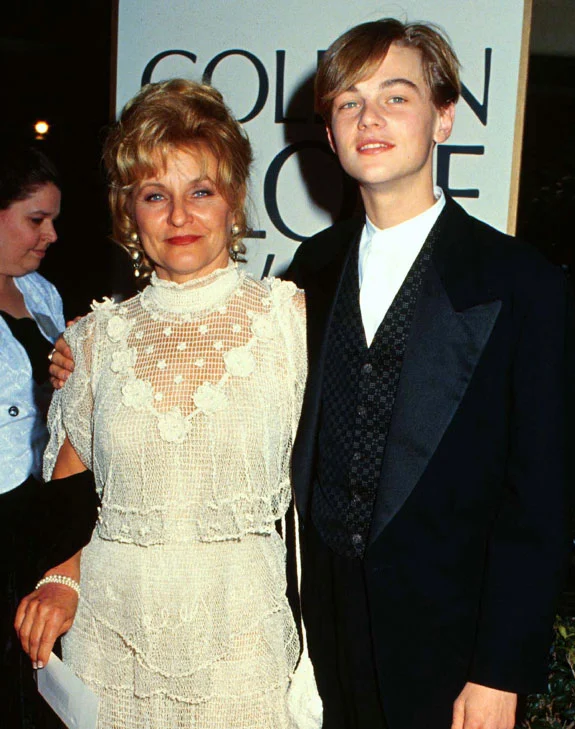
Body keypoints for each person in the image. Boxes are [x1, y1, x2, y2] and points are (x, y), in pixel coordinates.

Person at [285, 19, 575, 729]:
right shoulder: (308, 273)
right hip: (317, 642)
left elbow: (538, 499)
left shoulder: (523, 284)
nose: (370, 118)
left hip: (448, 655)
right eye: (349, 102)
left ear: (443, 118)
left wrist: (499, 671)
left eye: (397, 96)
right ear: (329, 133)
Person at [16, 79, 319, 729]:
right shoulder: (93, 338)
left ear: (234, 201)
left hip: (242, 639)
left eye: (200, 191)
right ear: (129, 212)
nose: (179, 216)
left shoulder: (289, 321)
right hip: (113, 636)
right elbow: (71, 478)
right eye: (156, 195)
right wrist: (60, 580)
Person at [0, 143, 98, 728]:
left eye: (54, 219)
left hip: (42, 512)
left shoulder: (41, 293)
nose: (52, 235)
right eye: (37, 219)